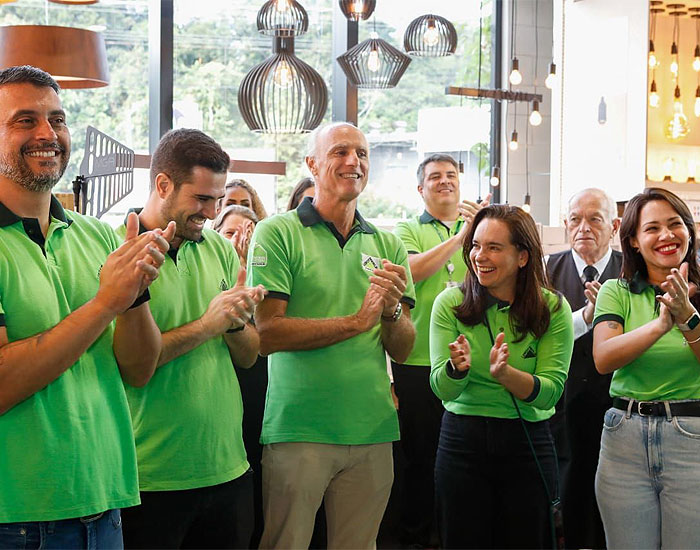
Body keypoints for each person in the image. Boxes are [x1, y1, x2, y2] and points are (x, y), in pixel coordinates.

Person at [0, 65, 173, 548]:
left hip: (105, 501)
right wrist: (104, 303)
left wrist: (135, 293)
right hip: (15, 515)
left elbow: (139, 370)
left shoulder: (98, 235)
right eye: (24, 121)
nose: (47, 134)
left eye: (57, 119)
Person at [248, 122, 416, 549]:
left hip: (373, 430)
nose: (352, 161)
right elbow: (267, 334)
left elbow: (402, 346)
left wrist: (393, 311)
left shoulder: (388, 244)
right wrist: (357, 322)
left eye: (361, 153)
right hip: (298, 428)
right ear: (312, 164)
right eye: (340, 152)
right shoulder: (279, 232)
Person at [118, 128, 266, 549]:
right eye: (201, 199)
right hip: (148, 476)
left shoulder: (218, 249)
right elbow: (133, 366)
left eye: (217, 200)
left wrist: (235, 322)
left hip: (228, 468)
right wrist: (208, 324)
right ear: (163, 184)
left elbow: (250, 355)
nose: (211, 211)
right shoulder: (118, 252)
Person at [430, 204, 573, 549]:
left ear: (522, 257)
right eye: (476, 245)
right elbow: (441, 388)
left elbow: (549, 393)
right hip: (462, 440)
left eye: (494, 247)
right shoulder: (450, 302)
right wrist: (456, 369)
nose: (480, 256)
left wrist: (506, 374)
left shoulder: (552, 307)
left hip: (528, 442)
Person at [593, 187, 700, 549]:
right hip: (624, 439)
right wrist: (659, 326)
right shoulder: (616, 291)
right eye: (652, 228)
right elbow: (604, 358)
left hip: (692, 440)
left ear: (689, 230)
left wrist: (689, 319)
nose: (667, 235)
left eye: (676, 224)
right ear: (634, 241)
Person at [392, 153, 489, 548]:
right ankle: (416, 537)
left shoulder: (482, 227)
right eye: (435, 177)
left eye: (452, 175)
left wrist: (478, 231)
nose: (445, 181)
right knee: (420, 456)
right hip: (418, 359)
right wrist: (462, 237)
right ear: (421, 189)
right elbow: (412, 271)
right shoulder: (406, 228)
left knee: (465, 454)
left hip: (472, 357)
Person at [546, 188, 621, 549]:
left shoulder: (632, 270)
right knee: (571, 484)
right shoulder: (547, 270)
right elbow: (538, 332)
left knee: (617, 494)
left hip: (619, 400)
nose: (584, 228)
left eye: (595, 219)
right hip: (563, 401)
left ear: (615, 226)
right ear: (565, 225)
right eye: (575, 219)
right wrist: (585, 318)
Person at [213, 202, 267, 548]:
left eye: (248, 235)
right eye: (230, 232)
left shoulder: (265, 279)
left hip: (256, 385)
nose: (239, 241)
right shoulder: (209, 270)